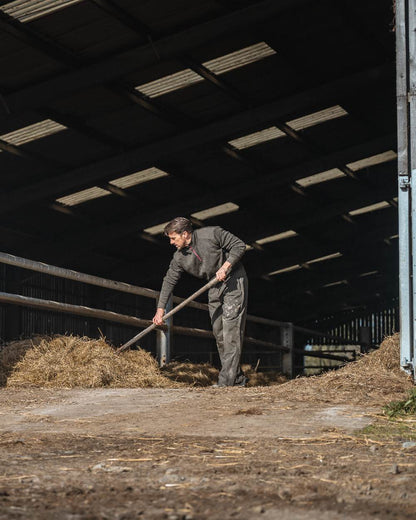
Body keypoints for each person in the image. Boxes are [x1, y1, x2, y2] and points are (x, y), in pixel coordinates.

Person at [152, 217, 248, 387]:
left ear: (185, 234)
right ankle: (237, 379)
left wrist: (226, 266)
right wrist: (160, 310)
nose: (171, 242)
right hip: (213, 285)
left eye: (173, 238)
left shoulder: (212, 234)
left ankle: (226, 382)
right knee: (219, 333)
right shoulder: (179, 258)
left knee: (231, 332)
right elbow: (169, 281)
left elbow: (239, 245)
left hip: (233, 280)